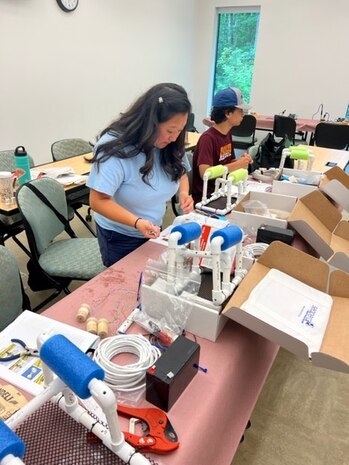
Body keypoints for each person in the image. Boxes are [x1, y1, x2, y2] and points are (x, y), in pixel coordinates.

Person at [87, 82, 194, 266]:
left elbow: (181, 173)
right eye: (170, 130)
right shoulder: (116, 149)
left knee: (152, 278)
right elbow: (98, 201)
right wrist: (136, 222)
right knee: (125, 285)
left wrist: (183, 193)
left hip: (152, 227)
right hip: (121, 234)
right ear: (150, 122)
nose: (175, 137)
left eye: (180, 130)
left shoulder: (170, 144)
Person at [192, 87, 253, 205]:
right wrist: (237, 164)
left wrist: (242, 161)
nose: (243, 114)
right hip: (206, 197)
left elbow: (228, 161)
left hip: (222, 190)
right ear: (228, 113)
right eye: (240, 111)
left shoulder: (227, 133)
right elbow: (205, 172)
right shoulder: (208, 138)